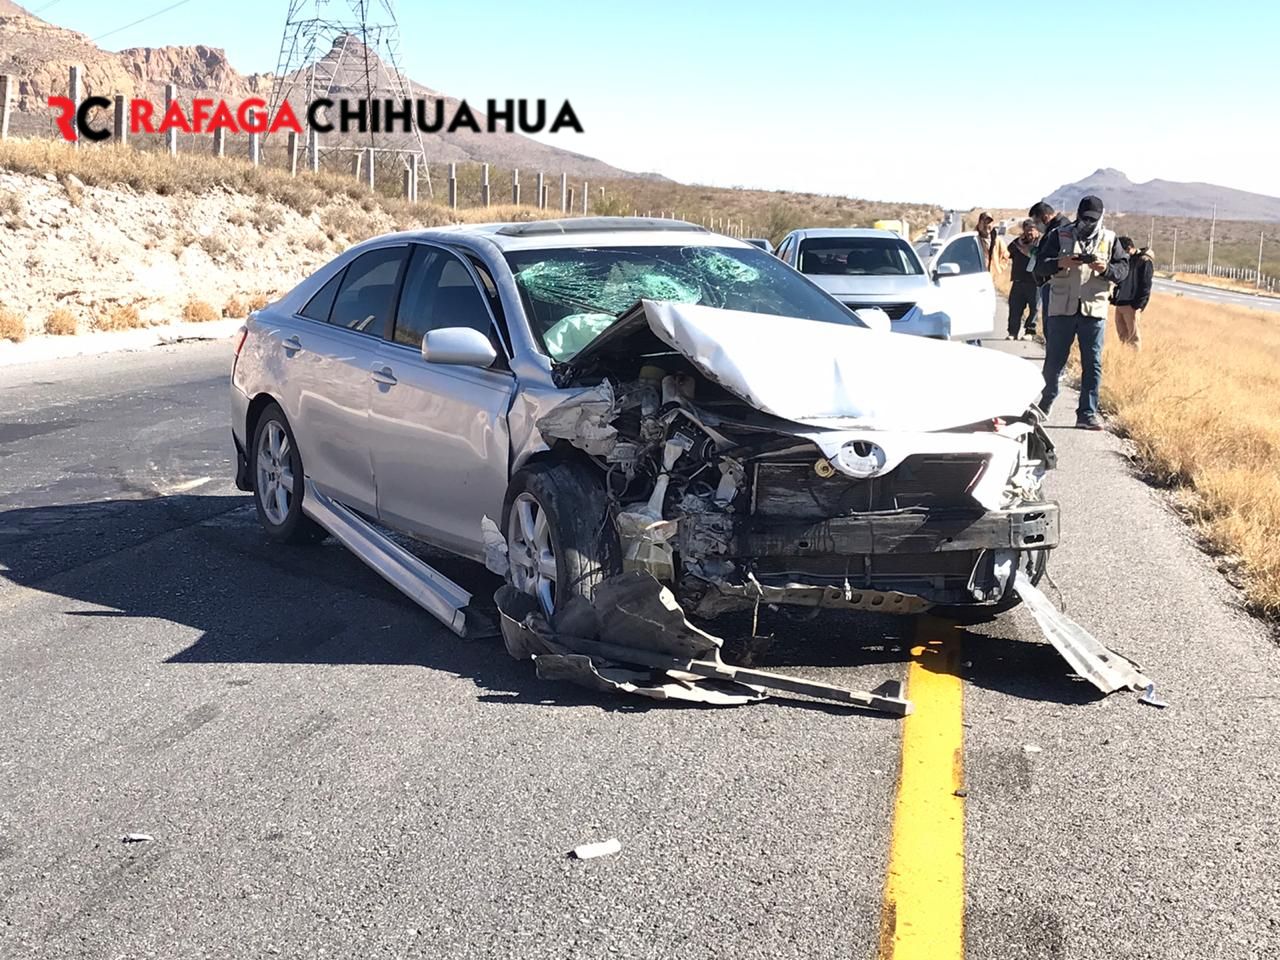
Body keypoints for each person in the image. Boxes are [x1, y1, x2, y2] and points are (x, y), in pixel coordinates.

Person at [1032, 195, 1129, 430]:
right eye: (1084, 219)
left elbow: (1123, 270)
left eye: (1092, 220)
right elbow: (1039, 268)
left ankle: (1087, 413)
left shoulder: (1110, 239)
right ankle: (1044, 404)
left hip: (1093, 311)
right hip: (1062, 310)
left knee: (1092, 363)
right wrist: (1059, 262)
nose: (1088, 224)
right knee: (1054, 362)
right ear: (1077, 215)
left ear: (1101, 218)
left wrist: (1106, 268)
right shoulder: (1059, 235)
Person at [1029, 201, 1071, 323]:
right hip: (1048, 282)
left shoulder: (1059, 229)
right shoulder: (1052, 230)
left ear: (1045, 217)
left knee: (1052, 324)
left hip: (1055, 282)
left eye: (1037, 222)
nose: (1036, 226)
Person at [1111, 236, 1153, 348]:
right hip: (1120, 302)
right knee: (1122, 336)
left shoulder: (1143, 261)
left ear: (1129, 248)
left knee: (1134, 338)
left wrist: (1138, 305)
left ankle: (1135, 361)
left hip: (1131, 305)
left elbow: (1146, 285)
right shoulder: (1124, 261)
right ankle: (1125, 358)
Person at [1006, 218, 1040, 339]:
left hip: (1035, 282)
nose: (1029, 233)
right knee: (1015, 307)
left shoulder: (1041, 243)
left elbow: (1038, 255)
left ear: (1037, 230)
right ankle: (1012, 332)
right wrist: (1020, 242)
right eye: (1027, 230)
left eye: (1031, 230)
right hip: (1018, 280)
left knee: (1034, 308)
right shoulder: (1017, 243)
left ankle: (1029, 332)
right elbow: (1007, 252)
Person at [976, 212, 1008, 278]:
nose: (986, 225)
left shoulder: (998, 241)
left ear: (993, 224)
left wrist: (999, 269)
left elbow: (1005, 257)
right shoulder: (972, 240)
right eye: (984, 222)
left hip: (993, 279)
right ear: (979, 223)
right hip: (977, 278)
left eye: (989, 222)